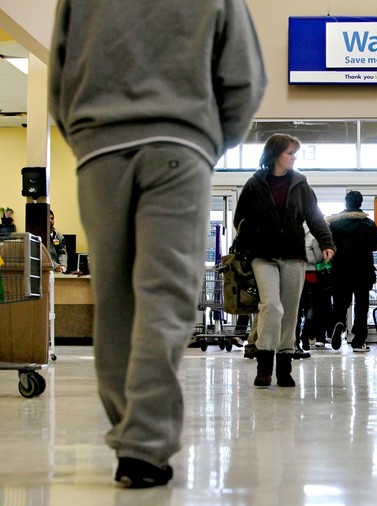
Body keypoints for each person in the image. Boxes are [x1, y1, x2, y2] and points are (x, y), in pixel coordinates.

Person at [48, 0, 266, 488]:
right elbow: (244, 78)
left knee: (115, 296)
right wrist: (206, 142)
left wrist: (87, 141)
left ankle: (132, 435)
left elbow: (60, 75)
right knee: (164, 297)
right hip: (178, 143)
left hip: (98, 149)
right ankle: (144, 445)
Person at [233, 133, 335, 388]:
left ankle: (284, 367)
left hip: (293, 256)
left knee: (290, 312)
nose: (293, 157)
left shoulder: (300, 184)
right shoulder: (254, 184)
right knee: (271, 306)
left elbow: (315, 216)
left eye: (294, 153)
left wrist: (326, 243)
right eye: (289, 152)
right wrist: (255, 234)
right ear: (275, 154)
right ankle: (264, 365)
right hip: (263, 256)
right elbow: (240, 220)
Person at [326, 191, 377, 352]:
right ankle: (358, 341)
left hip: (340, 270)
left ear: (346, 203)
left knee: (339, 304)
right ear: (360, 203)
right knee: (361, 305)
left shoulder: (334, 224)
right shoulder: (368, 224)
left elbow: (328, 244)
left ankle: (338, 324)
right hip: (362, 270)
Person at [297, 224, 332, 350]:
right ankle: (305, 335)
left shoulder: (291, 229)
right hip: (311, 274)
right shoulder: (313, 233)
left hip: (294, 273)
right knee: (311, 308)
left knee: (296, 309)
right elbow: (318, 257)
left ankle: (294, 340)